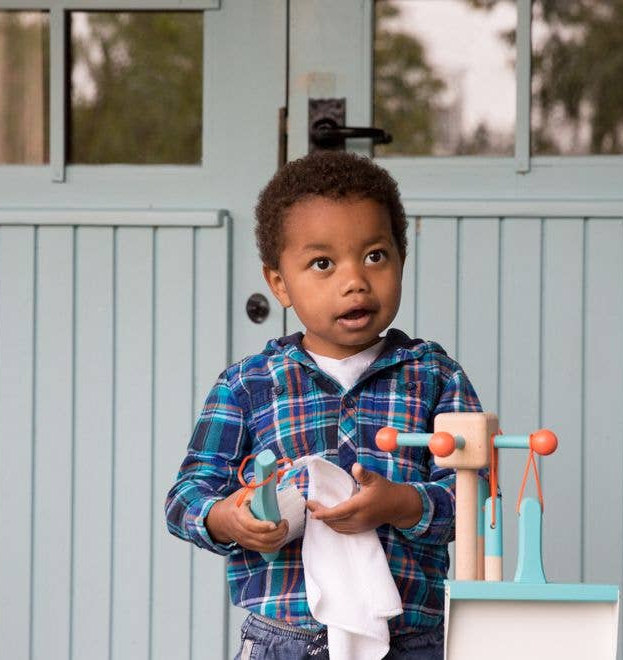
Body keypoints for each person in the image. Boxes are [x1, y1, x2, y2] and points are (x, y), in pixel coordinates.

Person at [165, 150, 482, 660]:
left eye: (375, 255)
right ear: (279, 283)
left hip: (413, 641)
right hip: (283, 639)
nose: (354, 280)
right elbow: (186, 497)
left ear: (403, 257)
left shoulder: (435, 377)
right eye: (322, 264)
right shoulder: (249, 384)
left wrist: (399, 503)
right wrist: (230, 518)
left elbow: (475, 500)